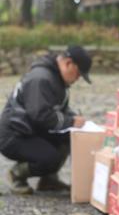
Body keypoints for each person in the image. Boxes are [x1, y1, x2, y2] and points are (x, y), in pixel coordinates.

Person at [0, 46, 92, 195]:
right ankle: (17, 174)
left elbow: (57, 110)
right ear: (68, 63)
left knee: (69, 137)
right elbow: (40, 115)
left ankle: (48, 180)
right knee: (50, 157)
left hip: (29, 128)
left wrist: (74, 118)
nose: (78, 79)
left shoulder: (56, 78)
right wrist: (70, 122)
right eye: (78, 73)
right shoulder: (41, 78)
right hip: (14, 135)